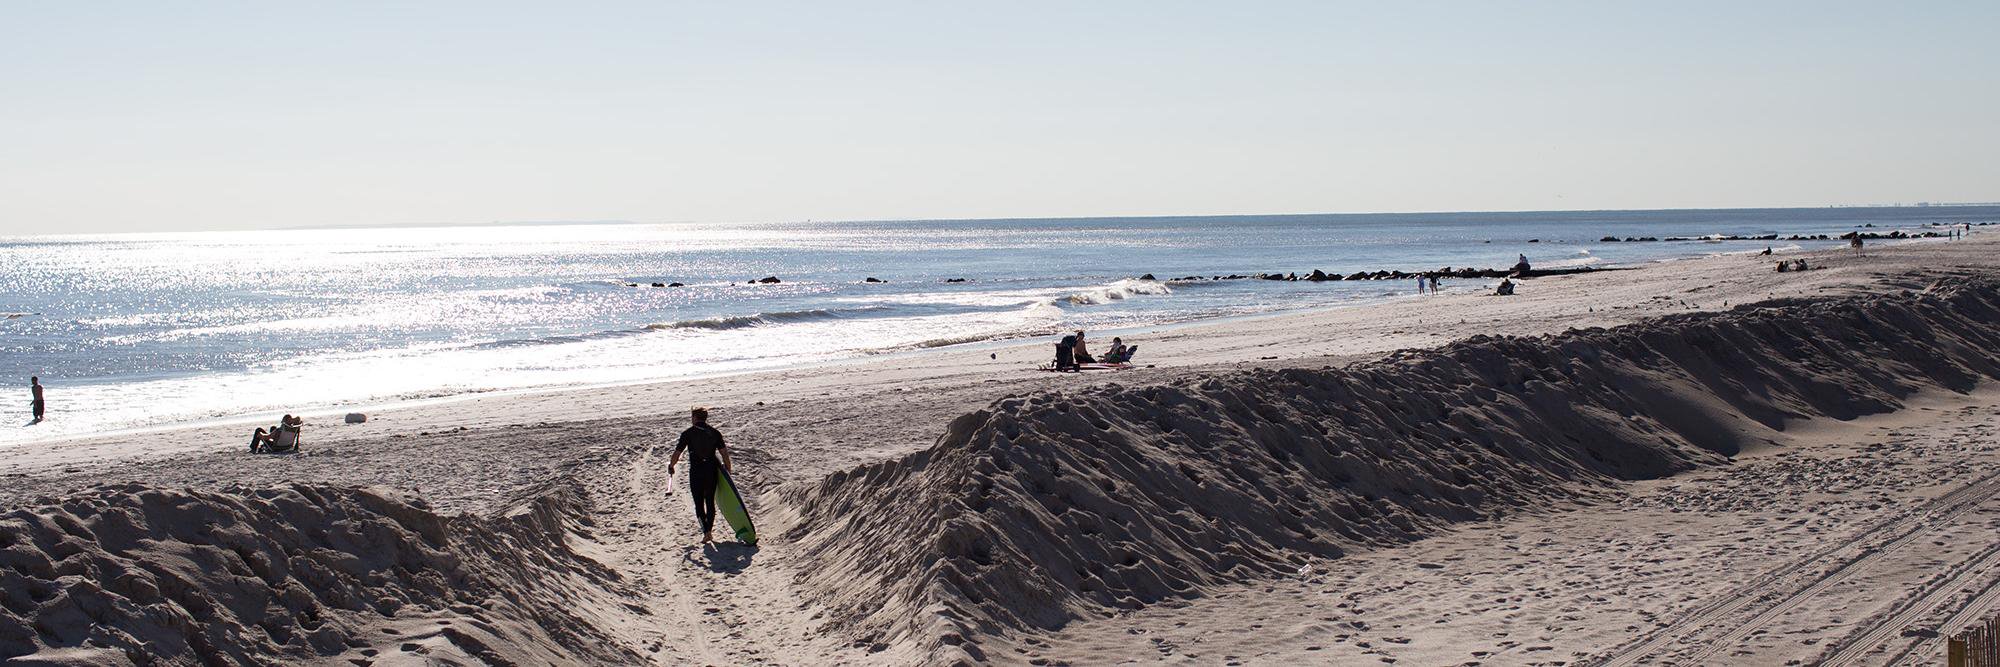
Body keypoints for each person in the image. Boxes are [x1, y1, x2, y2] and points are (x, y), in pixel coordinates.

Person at [668, 407, 734, 545]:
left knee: (698, 503)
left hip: (696, 472)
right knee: (710, 501)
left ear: (695, 418)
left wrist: (671, 466)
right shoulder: (715, 433)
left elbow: (677, 453)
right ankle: (709, 530)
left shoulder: (688, 433)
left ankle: (706, 532)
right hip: (711, 471)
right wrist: (728, 471)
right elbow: (724, 454)